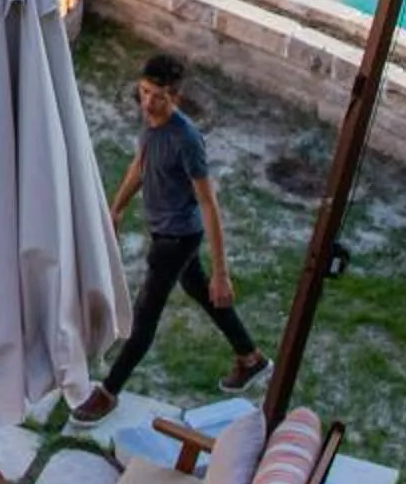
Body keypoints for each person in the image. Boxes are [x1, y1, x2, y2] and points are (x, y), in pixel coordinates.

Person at [70, 51, 269, 424]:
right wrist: (117, 207)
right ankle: (251, 357)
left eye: (158, 96)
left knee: (145, 316)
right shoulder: (150, 122)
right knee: (199, 290)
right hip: (166, 231)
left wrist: (222, 273)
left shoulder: (187, 139)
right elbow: (141, 164)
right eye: (144, 91)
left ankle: (109, 392)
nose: (148, 102)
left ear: (175, 96)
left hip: (176, 239)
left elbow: (209, 204)